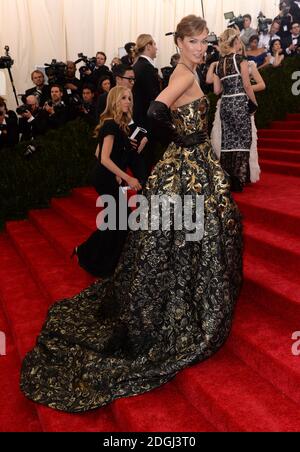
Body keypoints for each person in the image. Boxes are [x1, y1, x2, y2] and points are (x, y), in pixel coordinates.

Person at [20, 15, 243, 413]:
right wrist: (183, 139)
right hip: (189, 165)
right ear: (179, 43)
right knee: (195, 231)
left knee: (187, 233)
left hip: (188, 164)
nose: (201, 47)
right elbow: (156, 112)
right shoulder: (183, 77)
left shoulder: (188, 71)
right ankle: (186, 303)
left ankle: (187, 290)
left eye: (205, 40)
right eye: (194, 41)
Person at [71, 86, 141, 277]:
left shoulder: (117, 125)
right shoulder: (110, 124)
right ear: (114, 102)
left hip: (108, 177)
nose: (128, 101)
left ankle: (89, 253)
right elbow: (104, 158)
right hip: (104, 179)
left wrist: (117, 172)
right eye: (123, 98)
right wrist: (127, 177)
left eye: (129, 98)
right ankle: (91, 256)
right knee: (120, 221)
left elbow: (98, 153)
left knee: (116, 221)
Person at [209, 42, 265, 185]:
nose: (238, 51)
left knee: (230, 141)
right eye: (237, 48)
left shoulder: (247, 63)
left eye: (241, 50)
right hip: (239, 104)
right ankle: (237, 178)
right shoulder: (233, 63)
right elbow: (214, 85)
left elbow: (261, 84)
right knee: (234, 140)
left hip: (229, 104)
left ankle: (239, 176)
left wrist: (240, 87)